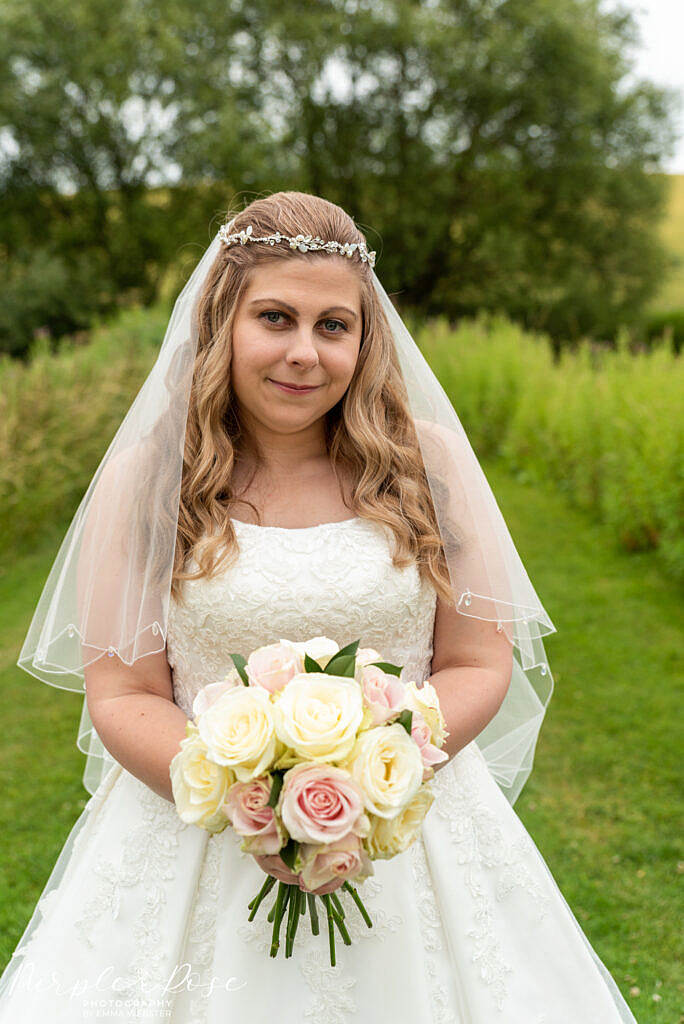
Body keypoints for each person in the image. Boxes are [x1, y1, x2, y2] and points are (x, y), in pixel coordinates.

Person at [0, 191, 638, 1022]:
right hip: (194, 830)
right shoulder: (149, 480)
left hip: (404, 832)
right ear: (220, 322)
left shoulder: (427, 467)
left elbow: (479, 663)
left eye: (333, 325)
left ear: (364, 340)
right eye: (275, 317)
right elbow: (123, 693)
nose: (304, 352)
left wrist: (372, 781)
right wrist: (250, 798)